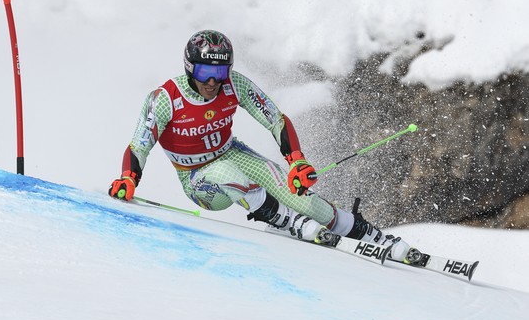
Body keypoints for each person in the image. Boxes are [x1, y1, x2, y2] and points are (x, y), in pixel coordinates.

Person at [109, 29, 415, 262]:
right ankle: (285, 221)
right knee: (230, 174)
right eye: (205, 72)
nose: (213, 81)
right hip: (197, 180)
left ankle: (369, 234)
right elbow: (139, 147)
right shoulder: (165, 100)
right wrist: (128, 179)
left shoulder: (235, 84)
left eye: (220, 72)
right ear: (190, 68)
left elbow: (276, 120)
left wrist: (297, 161)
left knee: (299, 195)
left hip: (233, 153)